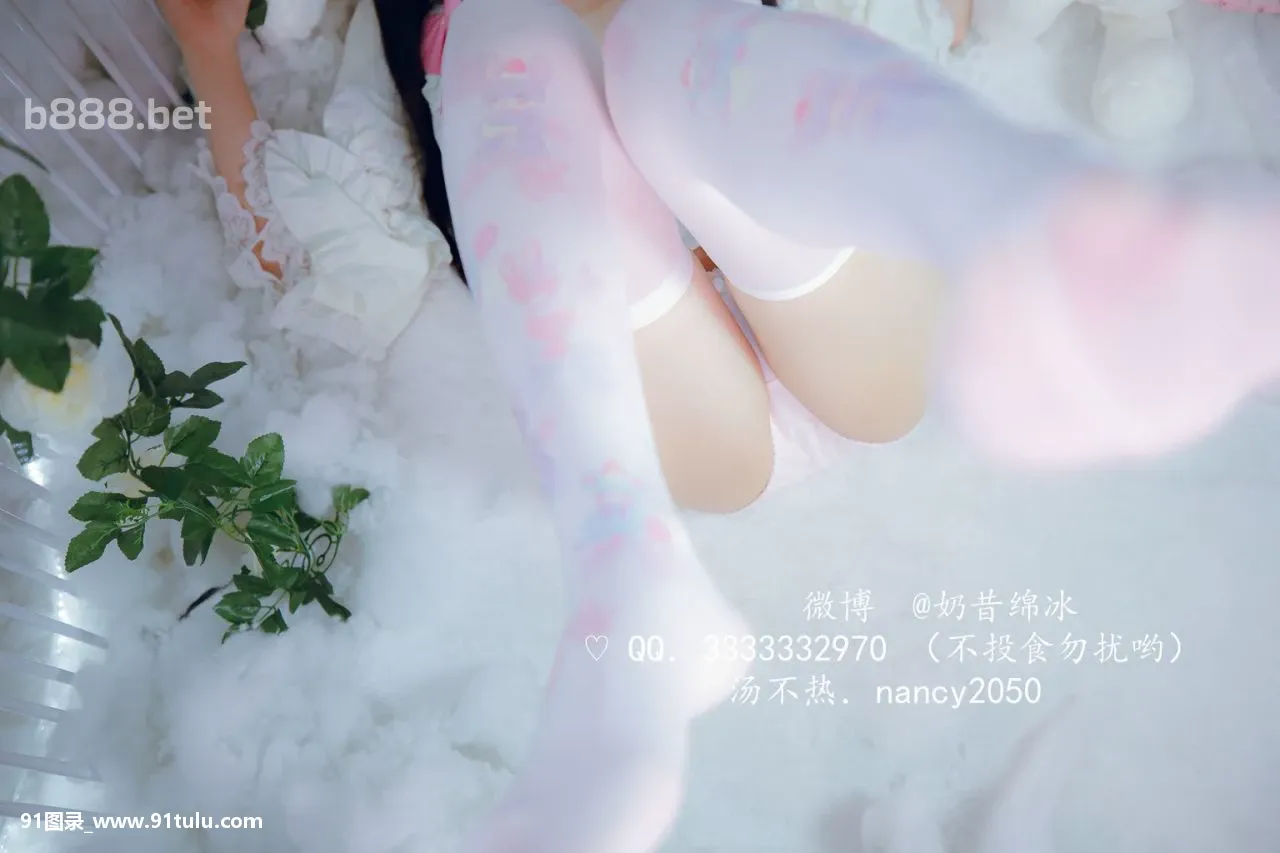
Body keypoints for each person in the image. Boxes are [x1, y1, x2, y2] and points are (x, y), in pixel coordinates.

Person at [159, 0, 1280, 850]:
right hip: (655, 397)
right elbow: (325, 260)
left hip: (830, 289)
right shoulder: (408, 28)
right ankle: (627, 573)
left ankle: (1045, 221)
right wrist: (208, 51)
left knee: (653, 37)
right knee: (516, 37)